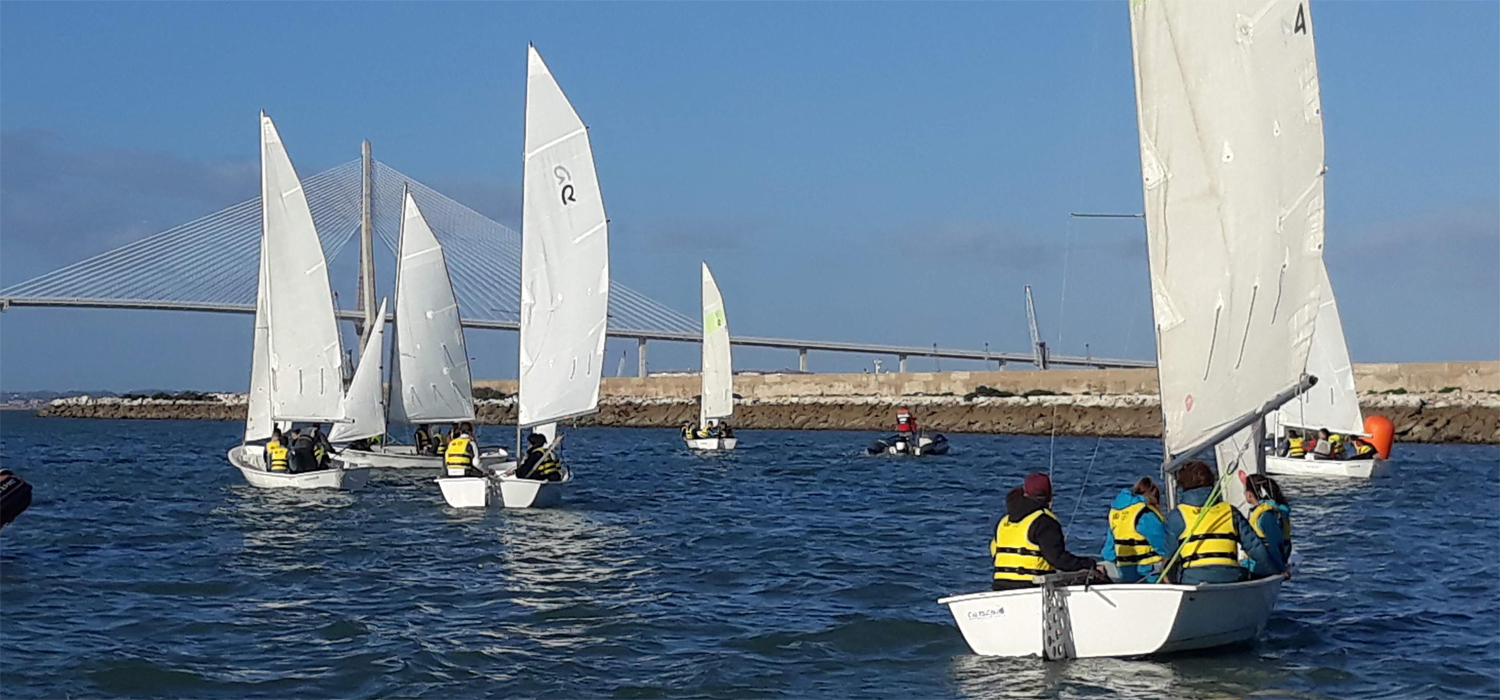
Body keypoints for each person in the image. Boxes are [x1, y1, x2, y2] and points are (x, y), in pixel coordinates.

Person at [990, 472, 1105, 590]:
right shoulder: (1044, 522)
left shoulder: (1003, 522)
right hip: (1031, 587)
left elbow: (995, 553)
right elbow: (1058, 560)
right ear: (1049, 496)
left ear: (1025, 492)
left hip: (999, 587)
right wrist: (1090, 565)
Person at [1162, 461, 1271, 585]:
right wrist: (1274, 571)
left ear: (1182, 485)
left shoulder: (1177, 516)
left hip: (1193, 581)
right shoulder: (1230, 511)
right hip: (1230, 578)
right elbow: (1255, 548)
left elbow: (1169, 557)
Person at [1100, 477, 1171, 583]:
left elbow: (1108, 553)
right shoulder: (1145, 513)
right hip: (1148, 572)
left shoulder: (1115, 513)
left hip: (1125, 572)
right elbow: (1163, 545)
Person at [1243, 474, 1292, 578]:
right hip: (1264, 562)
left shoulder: (1266, 516)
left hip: (1266, 565)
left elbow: (1274, 545)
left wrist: (1279, 570)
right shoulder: (1266, 511)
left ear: (1249, 494)